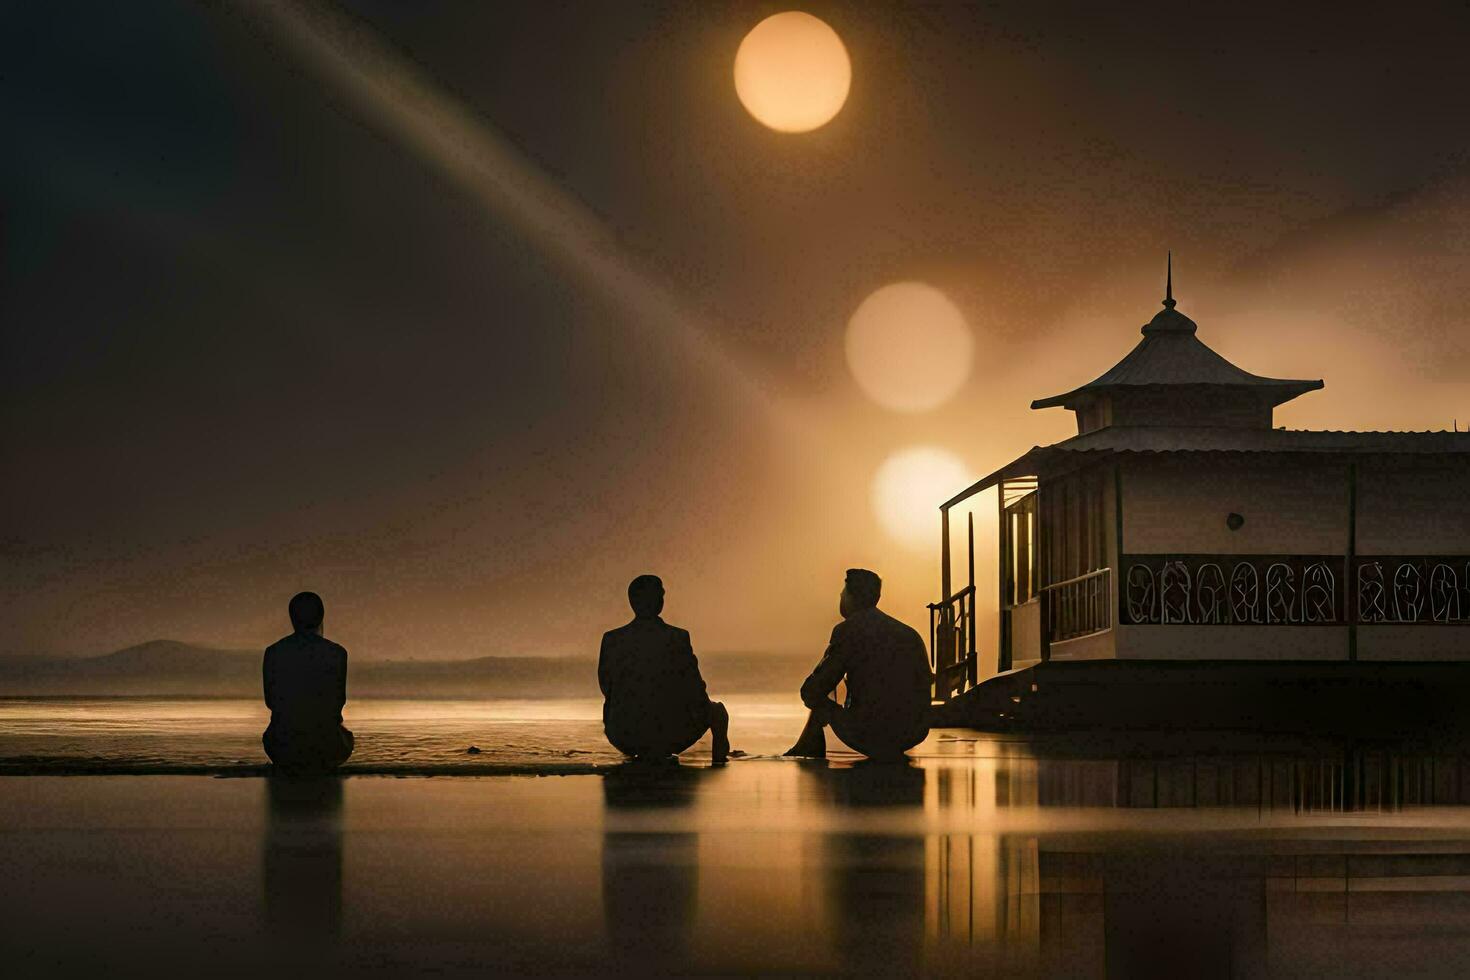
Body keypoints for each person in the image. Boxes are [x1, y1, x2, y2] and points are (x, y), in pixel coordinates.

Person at [784, 568, 931, 761]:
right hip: (914, 731)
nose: (840, 597)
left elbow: (813, 689)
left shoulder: (848, 631)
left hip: (872, 732)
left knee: (817, 697)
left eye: (843, 593)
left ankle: (807, 749)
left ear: (852, 597)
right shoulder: (909, 633)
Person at [599, 575, 730, 764]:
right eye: (660, 595)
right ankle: (719, 761)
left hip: (623, 734)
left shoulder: (611, 639)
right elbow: (695, 689)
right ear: (658, 600)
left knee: (617, 706)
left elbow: (605, 686)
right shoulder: (677, 637)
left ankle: (636, 760)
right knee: (718, 712)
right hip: (669, 735)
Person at [262, 591, 354, 774]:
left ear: (292, 618)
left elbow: (270, 701)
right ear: (321, 617)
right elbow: (337, 702)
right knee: (346, 737)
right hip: (327, 745)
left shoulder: (274, 652)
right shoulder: (337, 653)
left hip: (282, 746)